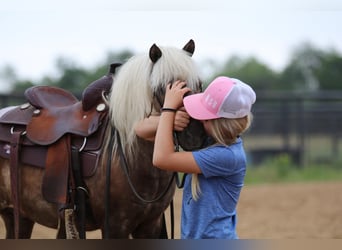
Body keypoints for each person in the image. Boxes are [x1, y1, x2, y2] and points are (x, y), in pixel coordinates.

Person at [152, 76, 256, 239]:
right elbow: (139, 130)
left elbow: (161, 158)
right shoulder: (219, 146)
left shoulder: (226, 156)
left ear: (217, 123)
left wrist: (168, 110)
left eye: (205, 117)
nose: (200, 120)